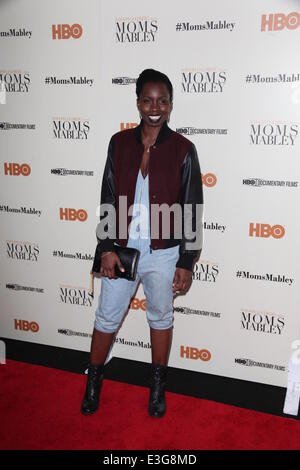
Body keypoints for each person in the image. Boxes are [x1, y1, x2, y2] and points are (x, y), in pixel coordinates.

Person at [81, 68, 203, 418]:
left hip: (164, 254)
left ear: (170, 105)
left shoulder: (184, 149)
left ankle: (157, 388)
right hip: (121, 249)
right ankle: (93, 382)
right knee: (106, 318)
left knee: (161, 318)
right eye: (148, 100)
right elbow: (107, 195)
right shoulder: (119, 143)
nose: (155, 107)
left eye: (162, 101)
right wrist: (105, 247)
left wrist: (186, 261)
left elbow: (192, 209)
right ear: (137, 103)